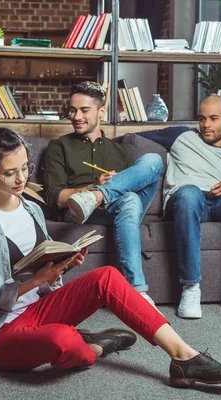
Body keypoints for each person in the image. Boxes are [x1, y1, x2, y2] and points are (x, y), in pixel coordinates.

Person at [0, 127, 221, 388]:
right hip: (0, 331)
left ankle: (185, 357)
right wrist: (38, 279)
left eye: (24, 168)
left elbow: (43, 268)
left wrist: (60, 266)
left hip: (39, 310)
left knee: (106, 276)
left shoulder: (30, 208)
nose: (21, 179)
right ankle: (95, 347)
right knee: (62, 340)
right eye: (9, 172)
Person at [136, 96, 221, 319]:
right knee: (189, 192)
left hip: (219, 204)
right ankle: (190, 288)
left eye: (213, 119)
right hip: (185, 201)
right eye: (202, 118)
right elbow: (131, 138)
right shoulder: (180, 135)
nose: (206, 125)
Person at [43, 81, 163, 305]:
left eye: (84, 110)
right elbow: (54, 197)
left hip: (120, 207)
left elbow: (137, 187)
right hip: (80, 211)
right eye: (72, 110)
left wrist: (108, 188)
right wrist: (90, 187)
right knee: (128, 199)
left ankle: (100, 195)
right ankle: (138, 292)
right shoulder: (59, 147)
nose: (76, 116)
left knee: (153, 161)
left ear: (101, 111)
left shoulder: (120, 151)